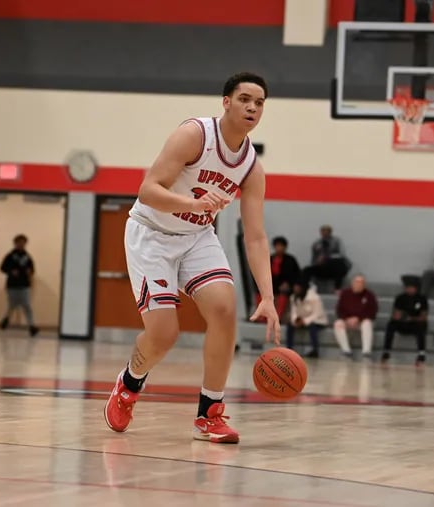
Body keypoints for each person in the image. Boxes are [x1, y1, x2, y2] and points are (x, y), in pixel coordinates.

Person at [104, 72, 280, 445]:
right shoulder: (195, 135)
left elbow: (256, 236)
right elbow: (148, 191)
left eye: (260, 102)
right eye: (245, 98)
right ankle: (129, 383)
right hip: (151, 234)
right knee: (164, 335)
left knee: (224, 309)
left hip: (197, 237)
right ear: (226, 102)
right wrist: (194, 203)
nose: (252, 107)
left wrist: (267, 295)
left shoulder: (251, 167)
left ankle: (210, 413)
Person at [381, 275, 428, 366]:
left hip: (415, 323)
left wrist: (412, 318)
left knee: (421, 326)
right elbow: (395, 314)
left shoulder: (422, 299)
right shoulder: (400, 298)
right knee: (391, 324)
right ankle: (386, 351)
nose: (409, 289)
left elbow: (424, 316)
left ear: (416, 288)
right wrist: (400, 317)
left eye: (411, 287)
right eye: (407, 287)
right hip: (402, 323)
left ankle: (421, 353)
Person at [0, 234, 39, 337]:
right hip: (12, 285)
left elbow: (32, 269)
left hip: (25, 285)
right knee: (12, 305)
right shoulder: (10, 256)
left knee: (27, 305)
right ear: (15, 243)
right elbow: (2, 268)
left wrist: (30, 272)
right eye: (19, 242)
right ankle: (6, 319)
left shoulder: (27, 257)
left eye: (23, 242)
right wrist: (11, 272)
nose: (21, 244)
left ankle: (31, 326)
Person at [333, 274, 378, 359]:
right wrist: (346, 319)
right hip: (347, 321)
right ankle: (346, 350)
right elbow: (339, 309)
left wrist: (358, 318)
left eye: (361, 282)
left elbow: (372, 311)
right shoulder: (345, 294)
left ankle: (366, 352)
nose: (359, 284)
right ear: (352, 283)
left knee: (367, 323)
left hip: (362, 321)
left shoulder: (369, 295)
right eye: (357, 282)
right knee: (338, 323)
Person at [286, 279, 327, 358]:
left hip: (317, 321)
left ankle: (315, 350)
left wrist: (305, 321)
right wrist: (295, 320)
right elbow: (293, 312)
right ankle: (289, 349)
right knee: (290, 325)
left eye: (297, 287)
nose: (295, 289)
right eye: (294, 287)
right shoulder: (293, 297)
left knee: (312, 326)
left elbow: (317, 313)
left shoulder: (314, 297)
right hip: (300, 320)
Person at [302, 225, 351, 290]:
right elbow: (313, 259)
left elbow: (342, 255)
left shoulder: (337, 241)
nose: (325, 232)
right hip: (323, 267)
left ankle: (337, 289)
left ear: (330, 232)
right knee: (306, 270)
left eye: (327, 231)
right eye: (323, 231)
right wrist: (317, 262)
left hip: (335, 266)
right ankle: (305, 289)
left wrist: (327, 257)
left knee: (339, 265)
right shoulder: (316, 243)